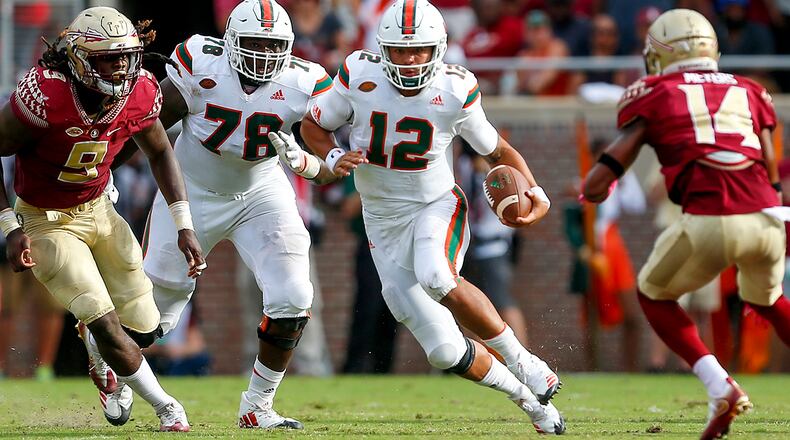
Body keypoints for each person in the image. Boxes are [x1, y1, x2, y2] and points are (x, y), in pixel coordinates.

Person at [276, 0, 565, 434]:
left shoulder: (455, 89)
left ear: (439, 49)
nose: (410, 60)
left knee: (437, 276)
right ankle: (530, 402)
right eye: (399, 50)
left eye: (419, 51)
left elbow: (497, 151)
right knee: (444, 351)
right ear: (382, 48)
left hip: (436, 205)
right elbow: (314, 126)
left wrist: (536, 191)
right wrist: (335, 155)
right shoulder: (359, 74)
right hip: (381, 220)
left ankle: (524, 360)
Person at [133, 0, 344, 430]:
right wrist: (104, 170)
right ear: (230, 42)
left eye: (273, 46)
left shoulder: (307, 82)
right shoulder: (200, 60)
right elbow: (150, 129)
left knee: (294, 295)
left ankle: (258, 405)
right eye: (252, 44)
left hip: (261, 191)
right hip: (191, 187)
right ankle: (110, 361)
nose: (263, 56)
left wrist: (306, 164)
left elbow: (329, 169)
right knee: (157, 313)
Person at [581, 9, 788, 439]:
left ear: (660, 54)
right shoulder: (749, 89)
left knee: (653, 293)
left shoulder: (655, 92)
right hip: (768, 219)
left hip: (709, 219)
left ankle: (720, 386)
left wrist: (593, 187)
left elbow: (603, 178)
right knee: (768, 299)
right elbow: (771, 170)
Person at [0, 6, 205, 431]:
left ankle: (102, 360)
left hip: (100, 209)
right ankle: (168, 409)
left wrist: (184, 223)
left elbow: (161, 149)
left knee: (145, 328)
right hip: (46, 220)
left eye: (127, 56)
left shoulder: (142, 91)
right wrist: (9, 225)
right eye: (109, 57)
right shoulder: (46, 95)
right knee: (103, 317)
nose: (122, 67)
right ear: (78, 58)